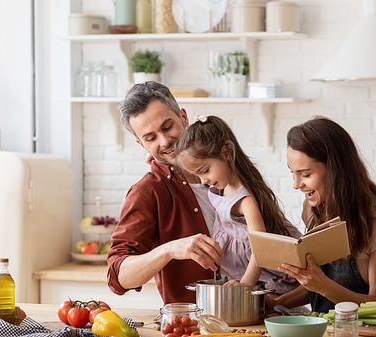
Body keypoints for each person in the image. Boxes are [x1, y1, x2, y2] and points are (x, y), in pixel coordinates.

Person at [107, 82, 222, 304]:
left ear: (183, 117)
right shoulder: (148, 192)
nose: (165, 141)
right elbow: (117, 276)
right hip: (195, 326)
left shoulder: (227, 166)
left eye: (168, 127)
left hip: (260, 314)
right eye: (150, 138)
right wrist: (170, 249)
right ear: (141, 143)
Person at [274, 116, 376, 312]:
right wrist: (276, 303)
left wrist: (322, 285)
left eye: (306, 174)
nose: (296, 184)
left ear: (336, 170)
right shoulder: (313, 209)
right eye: (293, 172)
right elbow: (315, 287)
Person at [174, 115, 300, 294]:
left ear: (225, 152)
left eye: (205, 171)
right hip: (242, 276)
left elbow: (261, 247)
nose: (203, 180)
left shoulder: (245, 201)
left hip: (268, 280)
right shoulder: (220, 189)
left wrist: (246, 286)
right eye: (198, 175)